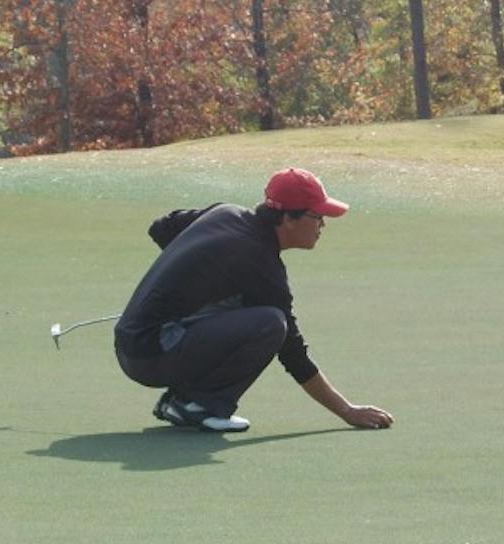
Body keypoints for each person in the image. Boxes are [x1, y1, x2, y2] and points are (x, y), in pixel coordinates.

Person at [114, 167, 395, 433]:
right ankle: (198, 405)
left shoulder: (226, 212)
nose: (323, 224)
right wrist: (346, 411)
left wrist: (193, 280)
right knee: (271, 323)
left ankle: (183, 402)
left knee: (243, 306)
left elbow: (162, 227)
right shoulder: (261, 264)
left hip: (132, 345)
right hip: (149, 357)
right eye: (317, 216)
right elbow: (292, 352)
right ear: (288, 219)